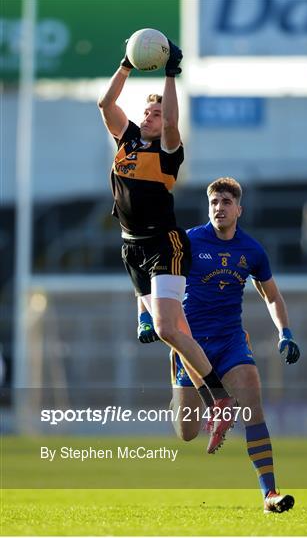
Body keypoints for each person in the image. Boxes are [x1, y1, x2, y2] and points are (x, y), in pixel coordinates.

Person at [97, 40, 235, 453]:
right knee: (173, 333)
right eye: (148, 111)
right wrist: (125, 64)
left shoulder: (168, 150)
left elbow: (174, 123)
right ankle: (215, 396)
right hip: (131, 246)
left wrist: (170, 74)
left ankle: (221, 399)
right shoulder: (128, 139)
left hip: (165, 244)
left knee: (167, 329)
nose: (151, 116)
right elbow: (106, 104)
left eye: (156, 113)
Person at [138, 177, 300, 513]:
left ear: (239, 209)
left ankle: (270, 495)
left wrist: (285, 332)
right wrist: (144, 318)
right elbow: (145, 276)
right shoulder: (187, 242)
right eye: (214, 202)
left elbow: (272, 296)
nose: (219, 208)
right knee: (186, 431)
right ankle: (176, 372)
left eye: (226, 202)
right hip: (191, 343)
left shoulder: (252, 250)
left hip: (230, 343)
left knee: (253, 402)